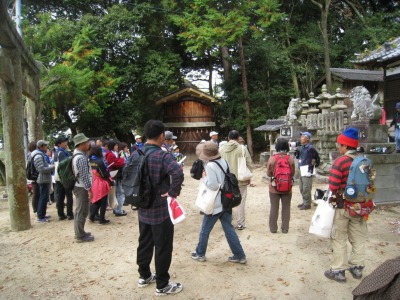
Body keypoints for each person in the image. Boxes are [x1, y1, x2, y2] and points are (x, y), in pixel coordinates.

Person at [136, 120, 184, 296]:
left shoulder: (137, 153)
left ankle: (144, 275)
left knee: (144, 242)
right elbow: (178, 172)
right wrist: (172, 192)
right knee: (163, 245)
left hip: (142, 207)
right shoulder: (162, 156)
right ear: (162, 136)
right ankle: (162, 284)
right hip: (160, 210)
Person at [324, 128, 369, 283]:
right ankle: (357, 267)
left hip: (343, 206)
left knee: (339, 237)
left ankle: (338, 270)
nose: (338, 147)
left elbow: (333, 186)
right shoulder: (363, 161)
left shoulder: (340, 161)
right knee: (358, 237)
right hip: (361, 206)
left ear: (344, 145)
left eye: (339, 144)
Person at [191, 141, 247, 264]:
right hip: (226, 200)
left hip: (215, 203)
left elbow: (213, 184)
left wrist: (204, 178)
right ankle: (239, 255)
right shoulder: (223, 161)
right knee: (229, 229)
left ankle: (200, 253)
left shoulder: (210, 166)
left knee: (205, 229)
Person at [219, 130, 253, 230]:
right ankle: (240, 223)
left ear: (228, 138)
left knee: (226, 200)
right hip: (240, 179)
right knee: (241, 201)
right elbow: (249, 163)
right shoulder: (242, 148)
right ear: (238, 138)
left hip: (226, 180)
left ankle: (227, 222)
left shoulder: (221, 149)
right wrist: (249, 176)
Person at [266, 138, 295, 234]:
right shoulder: (290, 159)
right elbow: (293, 173)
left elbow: (269, 174)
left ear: (277, 146)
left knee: (274, 207)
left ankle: (273, 228)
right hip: (287, 187)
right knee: (286, 207)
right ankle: (285, 228)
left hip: (274, 187)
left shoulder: (272, 158)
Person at [72, 133, 94, 243]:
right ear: (81, 144)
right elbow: (84, 176)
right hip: (82, 187)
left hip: (80, 186)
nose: (88, 144)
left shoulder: (79, 154)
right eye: (86, 142)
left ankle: (81, 232)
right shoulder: (80, 158)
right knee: (81, 211)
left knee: (82, 210)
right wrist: (89, 189)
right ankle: (80, 235)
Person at [31, 140, 55, 223]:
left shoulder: (40, 154)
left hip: (44, 178)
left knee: (44, 197)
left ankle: (42, 214)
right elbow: (41, 169)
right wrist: (52, 167)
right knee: (43, 197)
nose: (46, 147)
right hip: (42, 179)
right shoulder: (38, 155)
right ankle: (40, 216)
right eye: (45, 146)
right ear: (41, 146)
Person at [88, 145, 112, 225]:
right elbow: (104, 173)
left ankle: (91, 216)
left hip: (93, 181)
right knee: (103, 201)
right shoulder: (99, 161)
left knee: (96, 200)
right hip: (100, 182)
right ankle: (102, 219)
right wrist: (109, 178)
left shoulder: (90, 160)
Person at [296, 132, 319, 210]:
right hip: (302, 168)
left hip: (307, 169)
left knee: (306, 187)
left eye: (302, 136)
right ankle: (305, 201)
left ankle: (307, 204)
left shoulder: (310, 148)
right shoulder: (303, 147)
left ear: (307, 139)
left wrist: (311, 168)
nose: (301, 138)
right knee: (301, 187)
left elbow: (315, 158)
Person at [54, 136, 74, 221]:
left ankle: (61, 214)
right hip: (63, 177)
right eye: (64, 142)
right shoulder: (61, 153)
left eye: (66, 141)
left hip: (59, 177)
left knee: (61, 196)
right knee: (68, 195)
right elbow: (65, 166)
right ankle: (69, 214)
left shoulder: (60, 152)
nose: (66, 143)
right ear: (59, 144)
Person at [105, 140, 127, 217]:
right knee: (119, 192)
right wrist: (121, 158)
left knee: (117, 192)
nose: (117, 147)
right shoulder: (110, 154)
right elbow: (118, 163)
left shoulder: (113, 153)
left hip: (115, 175)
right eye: (116, 145)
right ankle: (118, 210)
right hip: (115, 175)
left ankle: (117, 209)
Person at [27, 141, 39, 213]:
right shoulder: (31, 155)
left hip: (32, 176)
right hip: (34, 177)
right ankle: (35, 209)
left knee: (36, 193)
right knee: (35, 193)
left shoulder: (30, 155)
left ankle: (36, 208)